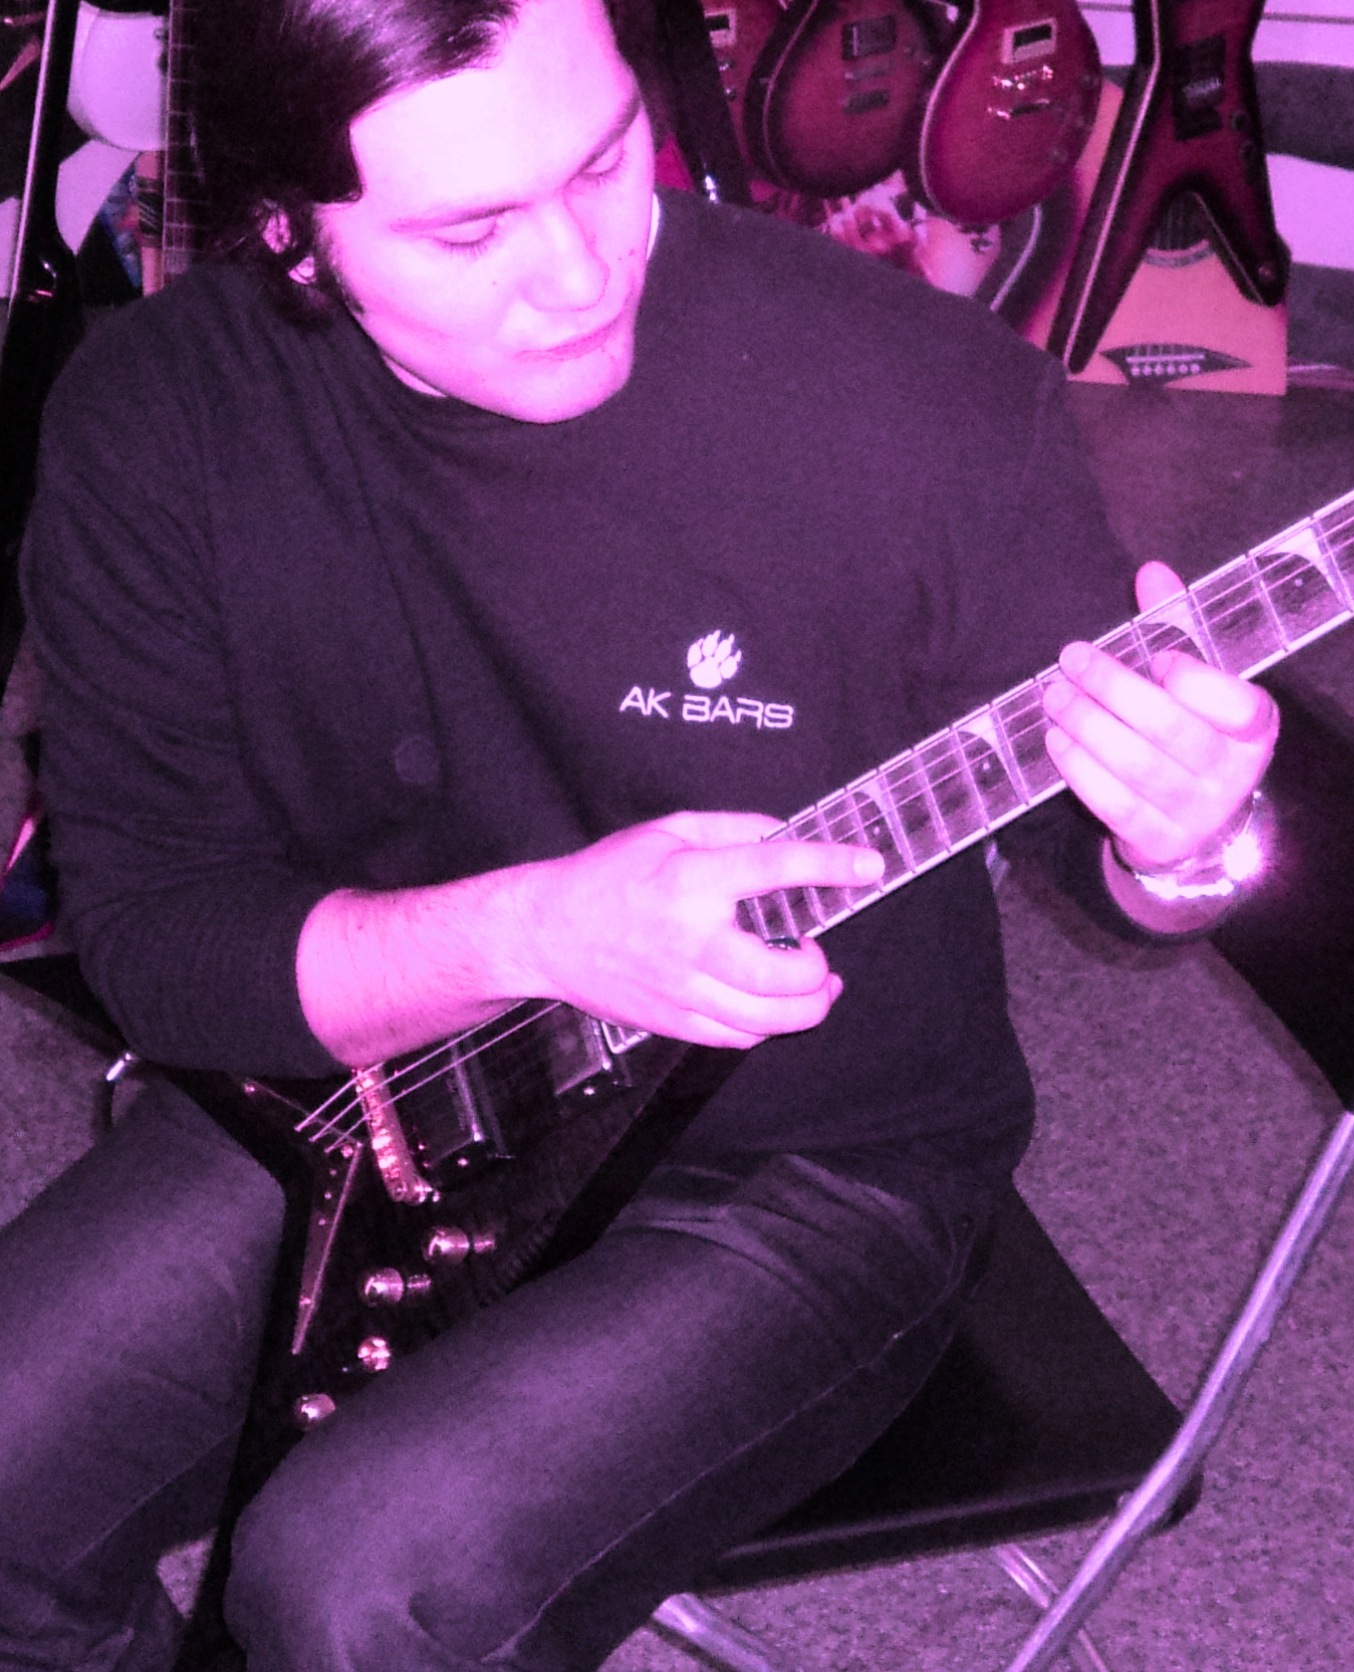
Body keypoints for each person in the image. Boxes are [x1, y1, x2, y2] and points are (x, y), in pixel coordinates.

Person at [0, 0, 1277, 1666]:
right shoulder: (160, 414)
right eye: (470, 232)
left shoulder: (919, 394)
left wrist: (1181, 840)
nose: (584, 273)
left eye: (605, 162)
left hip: (800, 1164)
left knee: (356, 1590)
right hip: (362, 1091)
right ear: (286, 234)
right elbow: (163, 946)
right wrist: (536, 932)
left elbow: (1109, 865)